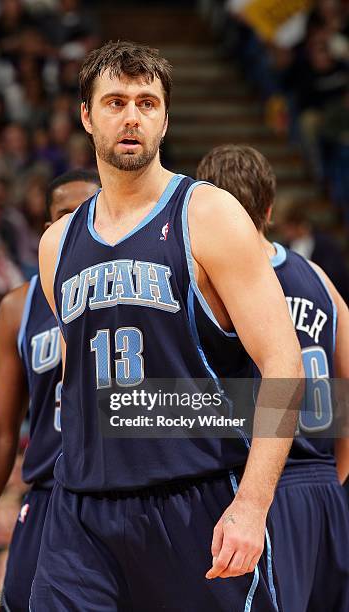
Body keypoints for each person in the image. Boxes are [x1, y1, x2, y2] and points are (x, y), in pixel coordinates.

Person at [32, 41, 303, 612]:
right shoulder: (57, 244)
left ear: (164, 117)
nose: (132, 116)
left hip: (194, 503)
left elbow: (284, 365)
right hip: (81, 517)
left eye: (147, 102)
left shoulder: (209, 214)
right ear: (86, 115)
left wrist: (253, 505)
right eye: (115, 102)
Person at [197, 144, 349, 611]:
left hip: (260, 491)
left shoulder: (215, 283)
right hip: (326, 491)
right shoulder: (320, 278)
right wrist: (333, 476)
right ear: (269, 208)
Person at [0, 169, 100, 612]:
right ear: (46, 227)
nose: (74, 224)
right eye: (63, 215)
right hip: (49, 496)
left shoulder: (139, 283)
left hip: (119, 493)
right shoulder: (19, 306)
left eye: (86, 212)